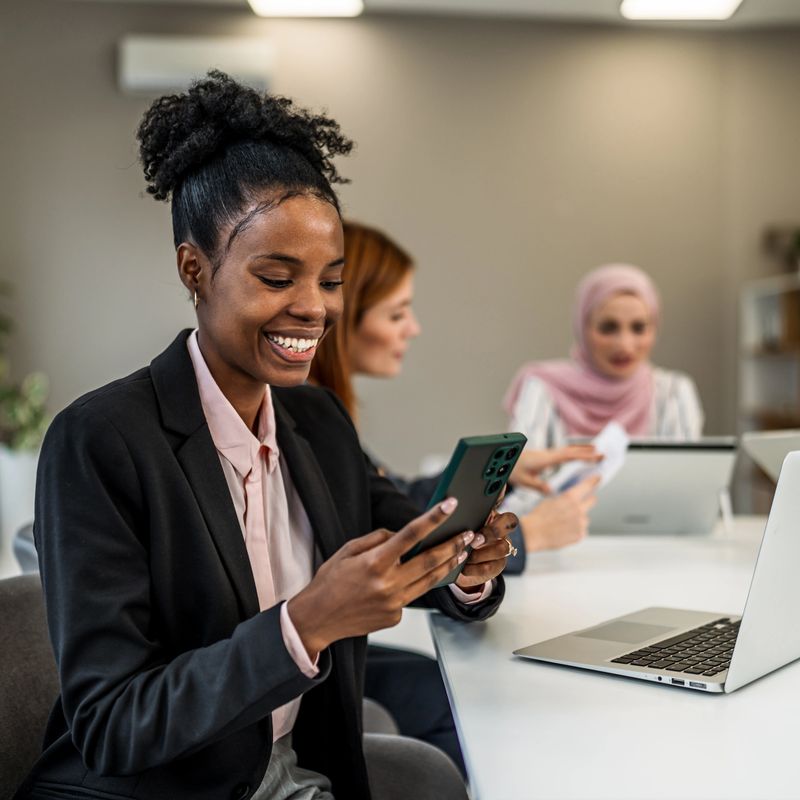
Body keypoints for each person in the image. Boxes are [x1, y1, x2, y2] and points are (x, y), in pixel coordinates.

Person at [15, 73, 517, 800]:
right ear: (195, 269)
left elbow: (413, 545)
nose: (313, 309)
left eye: (331, 280)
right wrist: (303, 624)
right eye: (278, 276)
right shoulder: (101, 441)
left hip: (297, 768)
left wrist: (468, 568)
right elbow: (111, 724)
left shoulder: (316, 422)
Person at [309, 220, 602, 574]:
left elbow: (392, 499)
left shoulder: (322, 415)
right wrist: (530, 535)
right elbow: (390, 537)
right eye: (397, 314)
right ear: (340, 315)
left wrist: (503, 472)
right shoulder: (308, 424)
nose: (413, 328)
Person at [502, 262, 704, 528]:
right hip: (555, 545)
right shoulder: (543, 386)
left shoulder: (674, 392)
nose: (625, 344)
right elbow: (526, 488)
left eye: (639, 328)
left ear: (655, 329)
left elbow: (685, 492)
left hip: (654, 546)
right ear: (582, 327)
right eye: (608, 328)